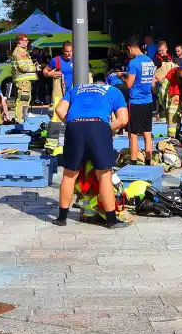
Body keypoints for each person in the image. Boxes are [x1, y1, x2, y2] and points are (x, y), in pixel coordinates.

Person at [52, 78, 130, 228]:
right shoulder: (114, 91)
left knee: (69, 174)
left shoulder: (76, 89)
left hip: (74, 126)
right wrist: (105, 129)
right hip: (98, 126)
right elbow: (123, 120)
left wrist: (74, 123)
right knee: (104, 175)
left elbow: (59, 110)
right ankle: (112, 220)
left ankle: (62, 218)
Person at [123, 38, 158, 166]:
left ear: (130, 48)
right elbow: (153, 83)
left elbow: (129, 84)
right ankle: (148, 160)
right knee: (147, 132)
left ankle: (133, 162)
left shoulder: (133, 63)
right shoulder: (149, 61)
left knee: (132, 134)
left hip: (136, 102)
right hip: (148, 100)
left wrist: (122, 77)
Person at [42, 41, 75, 153]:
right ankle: (50, 145)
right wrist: (49, 74)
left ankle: (71, 143)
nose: (69, 54)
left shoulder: (78, 59)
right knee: (56, 115)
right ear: (63, 51)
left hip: (73, 92)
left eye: (71, 51)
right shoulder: (55, 60)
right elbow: (45, 71)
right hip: (60, 92)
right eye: (67, 51)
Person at [9, 34, 36, 123]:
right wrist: (34, 68)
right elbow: (22, 66)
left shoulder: (22, 51)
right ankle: (19, 119)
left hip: (24, 80)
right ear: (20, 41)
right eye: (25, 40)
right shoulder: (20, 51)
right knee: (23, 99)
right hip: (23, 81)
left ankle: (22, 118)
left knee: (25, 99)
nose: (27, 42)